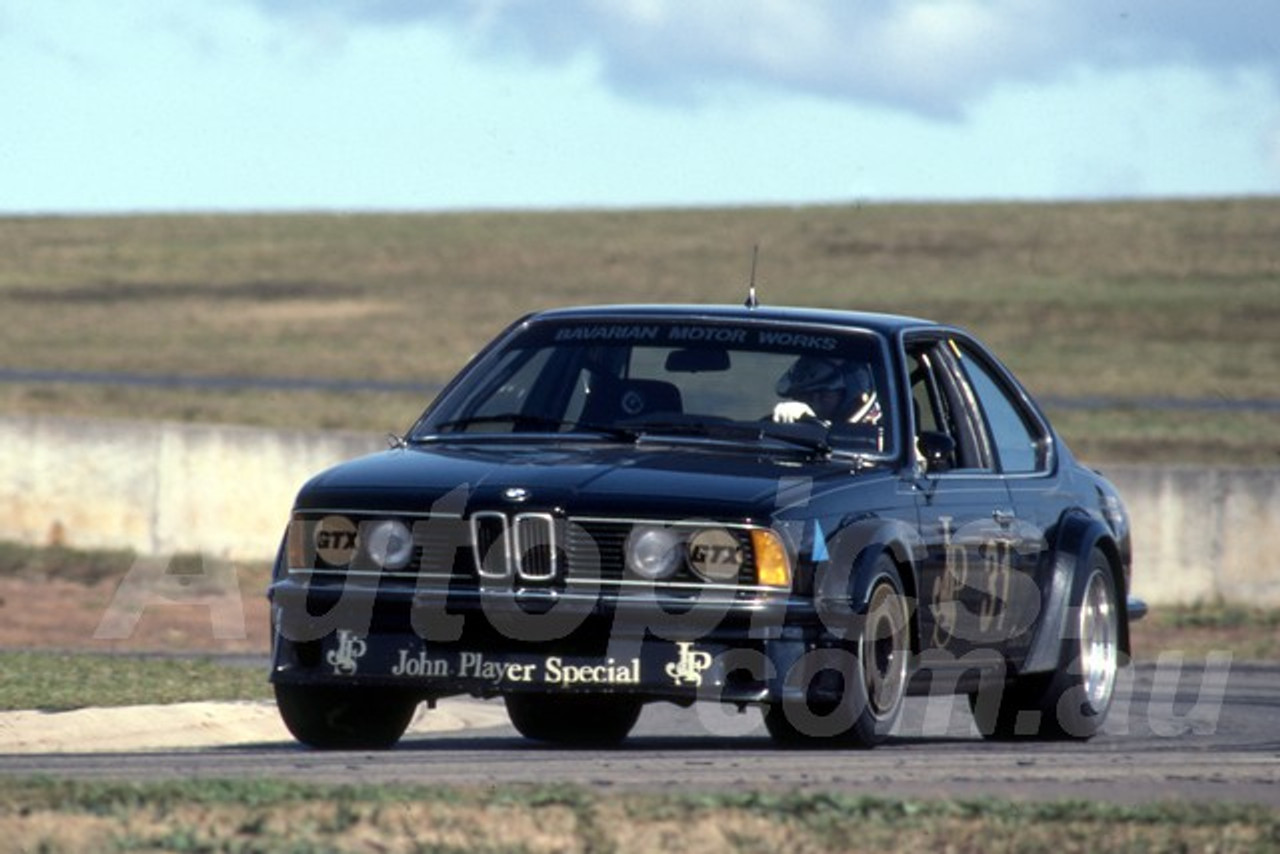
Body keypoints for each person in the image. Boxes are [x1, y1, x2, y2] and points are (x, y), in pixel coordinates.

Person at [772, 355, 882, 425]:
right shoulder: (790, 420)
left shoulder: (880, 433)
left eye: (823, 392)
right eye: (805, 394)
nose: (814, 399)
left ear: (849, 393)